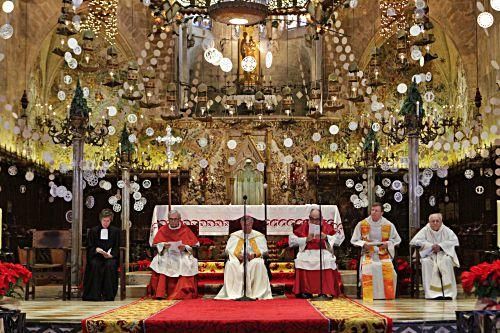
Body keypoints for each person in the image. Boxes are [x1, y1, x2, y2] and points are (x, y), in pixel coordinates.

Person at [289, 208, 344, 298]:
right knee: (302, 260)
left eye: (317, 219)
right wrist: (306, 239)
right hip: (307, 252)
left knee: (326, 261)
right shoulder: (304, 226)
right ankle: (305, 291)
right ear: (309, 218)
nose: (314, 222)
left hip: (323, 251)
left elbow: (338, 240)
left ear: (321, 218)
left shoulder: (326, 226)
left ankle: (325, 291)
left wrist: (326, 237)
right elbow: (291, 241)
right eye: (312, 219)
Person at [351, 202, 401, 301]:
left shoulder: (388, 224)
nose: (373, 212)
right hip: (368, 253)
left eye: (376, 211)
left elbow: (397, 240)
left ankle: (385, 295)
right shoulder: (362, 224)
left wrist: (387, 244)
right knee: (369, 267)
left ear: (382, 212)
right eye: (372, 210)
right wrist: (363, 244)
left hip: (383, 253)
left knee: (389, 270)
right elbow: (354, 240)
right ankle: (371, 295)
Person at [215, 216, 272, 300]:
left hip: (254, 258)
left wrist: (254, 255)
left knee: (258, 263)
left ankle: (256, 292)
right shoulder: (235, 235)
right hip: (237, 259)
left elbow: (265, 251)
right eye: (243, 225)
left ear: (252, 224)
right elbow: (228, 250)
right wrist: (237, 255)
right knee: (231, 264)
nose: (245, 227)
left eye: (248, 225)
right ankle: (234, 293)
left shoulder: (259, 236)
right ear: (241, 224)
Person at [148, 210, 199, 299]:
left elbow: (195, 244)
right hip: (167, 254)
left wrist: (185, 247)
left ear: (179, 219)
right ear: (168, 219)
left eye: (175, 219)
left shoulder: (185, 229)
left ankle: (182, 292)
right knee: (162, 262)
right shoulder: (163, 229)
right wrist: (163, 245)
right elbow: (155, 244)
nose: (173, 221)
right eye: (171, 219)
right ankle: (161, 293)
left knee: (186, 262)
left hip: (181, 254)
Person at [410, 213, 459, 300]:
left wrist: (440, 246)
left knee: (447, 260)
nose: (435, 223)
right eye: (433, 221)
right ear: (429, 222)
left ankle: (448, 293)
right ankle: (432, 293)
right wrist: (430, 246)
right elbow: (415, 242)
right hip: (429, 254)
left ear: (441, 222)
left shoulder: (447, 230)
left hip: (442, 254)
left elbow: (454, 241)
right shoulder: (425, 230)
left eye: (437, 221)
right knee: (426, 262)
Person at [82, 208, 121, 301]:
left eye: (108, 221)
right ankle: (94, 295)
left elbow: (117, 246)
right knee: (95, 265)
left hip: (110, 257)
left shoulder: (115, 231)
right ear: (100, 220)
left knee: (110, 265)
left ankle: (109, 295)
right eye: (104, 220)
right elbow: (89, 246)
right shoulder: (93, 230)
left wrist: (111, 255)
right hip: (97, 256)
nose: (106, 223)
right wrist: (96, 249)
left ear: (110, 220)